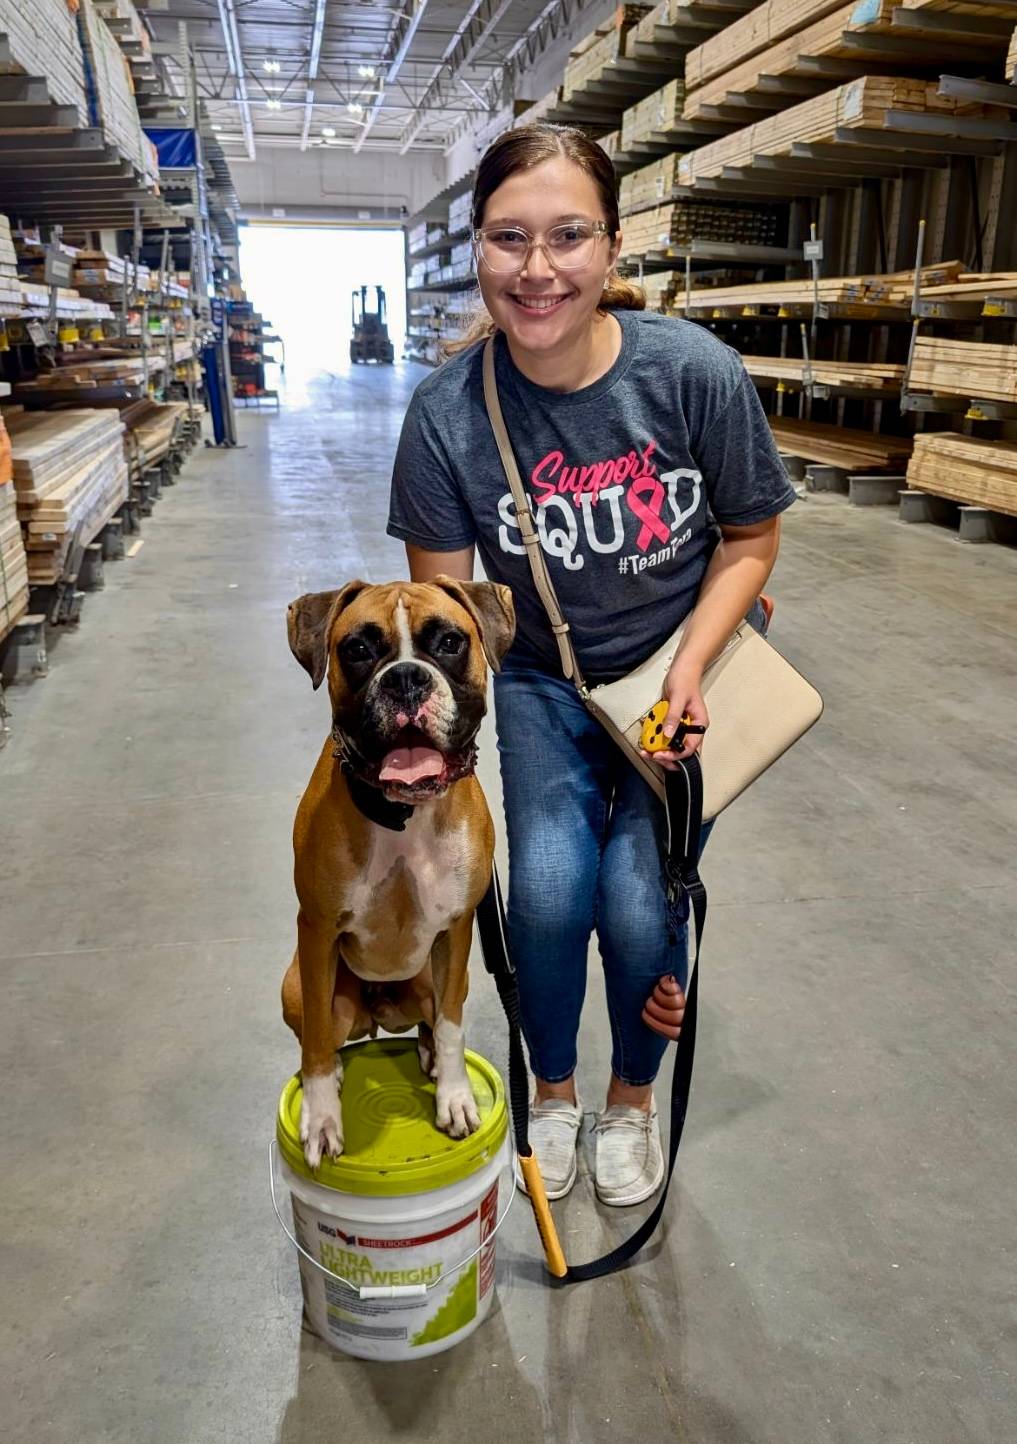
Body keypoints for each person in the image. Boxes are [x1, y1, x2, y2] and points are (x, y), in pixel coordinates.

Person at [388, 123, 796, 1208]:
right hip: (540, 684)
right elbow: (451, 617)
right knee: (556, 891)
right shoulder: (445, 416)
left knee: (638, 904)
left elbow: (752, 539)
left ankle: (631, 1098)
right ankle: (555, 1088)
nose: (538, 269)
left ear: (612, 249)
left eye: (568, 236)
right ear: (477, 248)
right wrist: (432, 751)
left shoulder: (692, 375)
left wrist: (695, 663)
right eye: (509, 238)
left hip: (679, 679)